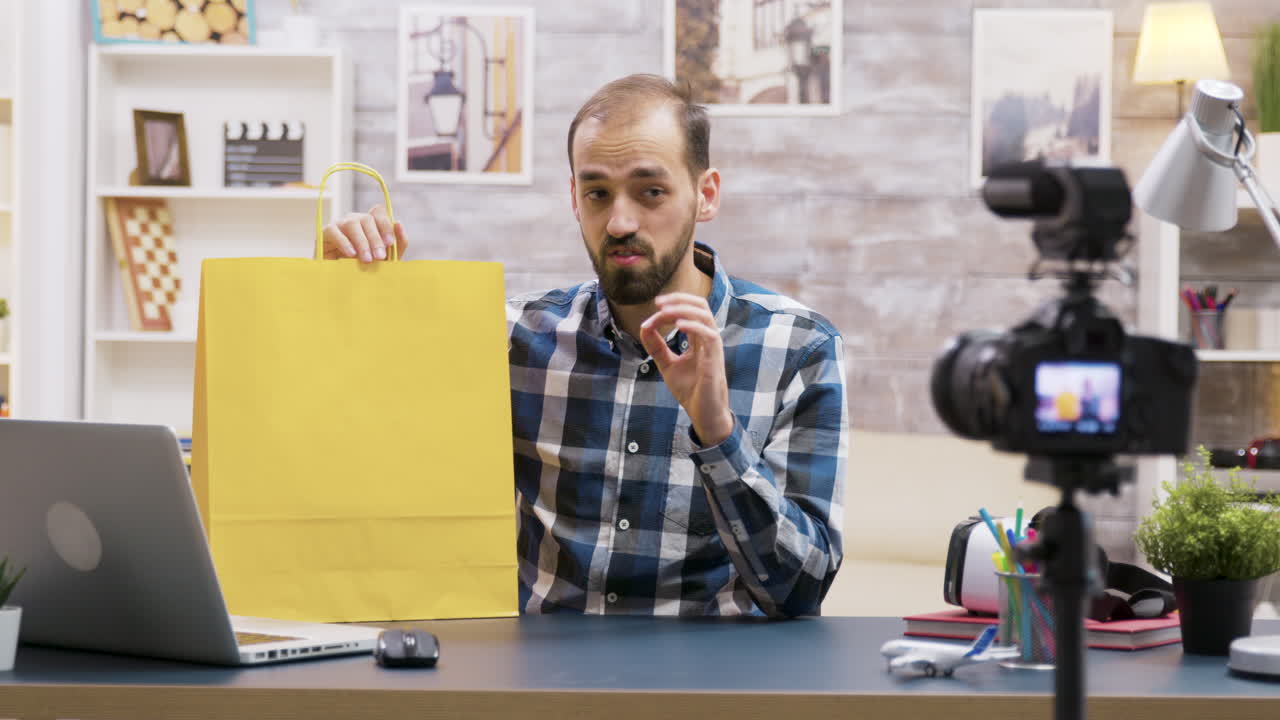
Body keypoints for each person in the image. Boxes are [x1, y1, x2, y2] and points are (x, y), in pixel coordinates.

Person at [322, 74, 848, 618]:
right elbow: (366, 444)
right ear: (574, 197)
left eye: (651, 192)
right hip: (539, 685)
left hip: (707, 688)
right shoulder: (514, 339)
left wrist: (718, 434)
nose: (620, 221)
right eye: (598, 192)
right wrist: (339, 299)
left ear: (705, 194)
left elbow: (800, 590)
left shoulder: (799, 348)